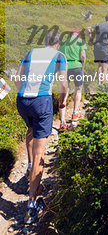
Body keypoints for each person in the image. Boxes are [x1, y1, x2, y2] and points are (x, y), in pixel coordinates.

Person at [15, 30, 68, 224]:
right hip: (41, 101)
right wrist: (62, 101)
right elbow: (63, 83)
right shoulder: (59, 56)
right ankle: (31, 205)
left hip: (22, 100)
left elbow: (18, 79)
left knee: (30, 129)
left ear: (45, 41)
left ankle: (29, 167)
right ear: (58, 44)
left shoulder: (30, 53)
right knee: (41, 151)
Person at [59, 29, 87, 124]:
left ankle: (62, 121)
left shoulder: (63, 43)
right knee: (78, 89)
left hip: (65, 67)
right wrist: (82, 67)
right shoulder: (80, 42)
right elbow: (83, 56)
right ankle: (74, 113)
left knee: (64, 91)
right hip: (77, 66)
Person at [88, 14, 108, 84]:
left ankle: (98, 82)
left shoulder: (99, 24)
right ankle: (103, 84)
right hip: (105, 47)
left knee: (99, 65)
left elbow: (88, 28)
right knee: (105, 67)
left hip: (97, 46)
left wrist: (91, 39)